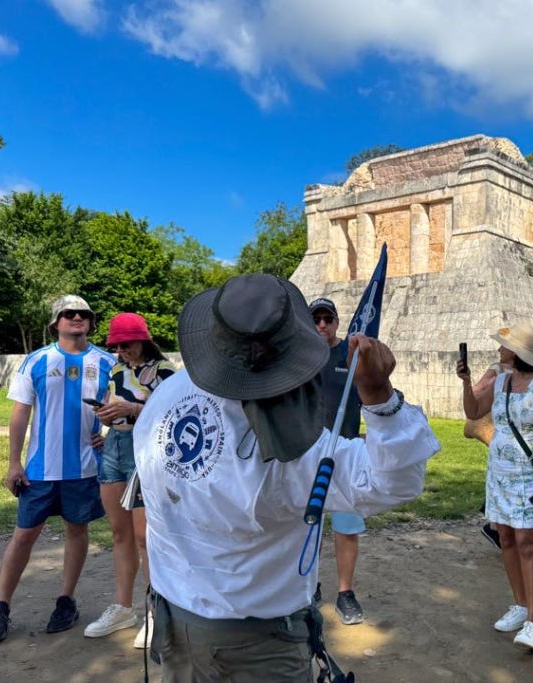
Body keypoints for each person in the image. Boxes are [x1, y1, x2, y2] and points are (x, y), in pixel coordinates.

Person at [132, 274, 440, 681]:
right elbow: (394, 481)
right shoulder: (295, 455)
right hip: (257, 643)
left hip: (174, 616)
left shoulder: (166, 397)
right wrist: (380, 396)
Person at [0, 295, 116, 643]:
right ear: (55, 322)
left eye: (83, 314)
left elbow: (124, 405)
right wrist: (14, 462)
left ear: (91, 321)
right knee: (23, 536)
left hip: (85, 469)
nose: (76, 318)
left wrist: (111, 435)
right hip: (39, 470)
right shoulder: (36, 361)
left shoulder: (107, 362)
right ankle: (1, 607)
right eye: (68, 314)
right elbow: (20, 412)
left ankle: (66, 601)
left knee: (77, 531)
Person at [456, 323, 533, 652]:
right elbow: (473, 411)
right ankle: (519, 605)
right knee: (506, 538)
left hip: (528, 476)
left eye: (503, 346)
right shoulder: (501, 382)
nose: (499, 350)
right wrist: (464, 381)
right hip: (499, 473)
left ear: (516, 353)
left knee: (527, 543)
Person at [84, 313, 174, 648]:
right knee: (120, 532)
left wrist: (132, 409)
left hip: (146, 448)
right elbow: (116, 404)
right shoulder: (116, 370)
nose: (122, 351)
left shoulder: (164, 371)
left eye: (127, 344)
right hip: (116, 447)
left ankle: (155, 612)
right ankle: (123, 607)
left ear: (144, 340)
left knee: (144, 536)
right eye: (117, 345)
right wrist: (107, 416)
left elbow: (169, 411)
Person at [308, 297, 366, 625]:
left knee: (345, 527)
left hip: (344, 453)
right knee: (310, 525)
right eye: (315, 319)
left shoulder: (351, 355)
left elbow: (372, 391)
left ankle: (345, 593)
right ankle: (309, 586)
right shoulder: (300, 358)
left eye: (327, 319)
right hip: (309, 455)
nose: (321, 325)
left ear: (337, 322)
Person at [463, 357, 513, 551]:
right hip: (502, 433)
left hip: (512, 435)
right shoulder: (498, 370)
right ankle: (495, 528)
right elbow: (476, 392)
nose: (500, 349)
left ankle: (496, 527)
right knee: (504, 477)